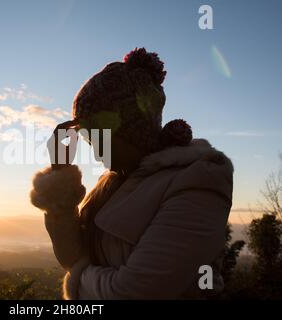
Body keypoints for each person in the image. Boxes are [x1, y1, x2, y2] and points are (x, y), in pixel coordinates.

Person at [30, 48, 233, 299]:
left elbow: (132, 293)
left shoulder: (197, 183)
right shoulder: (112, 184)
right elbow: (72, 256)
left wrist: (80, 278)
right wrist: (60, 176)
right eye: (85, 134)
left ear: (131, 128)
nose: (92, 146)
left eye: (96, 132)